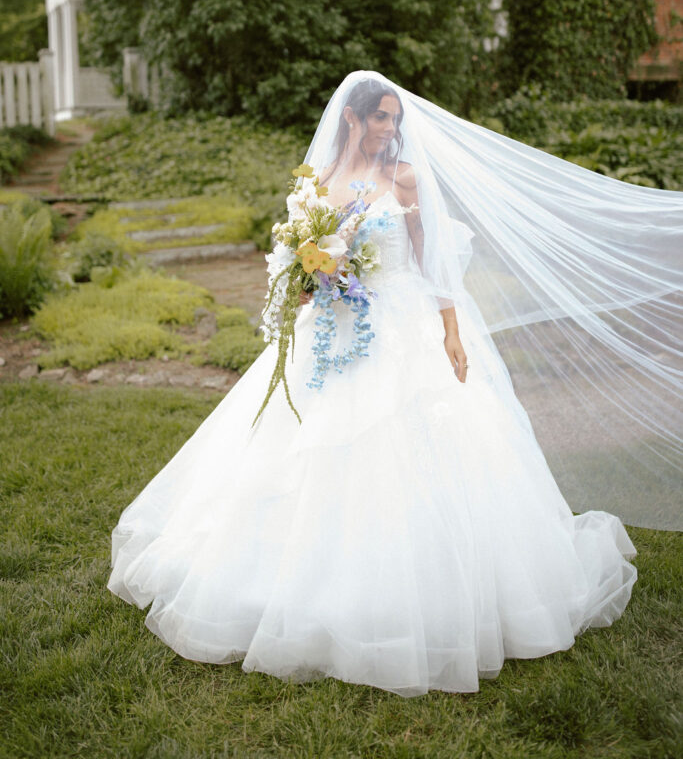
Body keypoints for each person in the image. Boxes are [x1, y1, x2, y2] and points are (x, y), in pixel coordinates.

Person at [108, 71, 682, 698]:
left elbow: (433, 258)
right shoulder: (317, 182)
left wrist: (452, 331)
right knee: (299, 449)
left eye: (394, 120)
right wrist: (307, 279)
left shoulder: (406, 178)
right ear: (351, 119)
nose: (387, 130)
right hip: (332, 331)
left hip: (403, 326)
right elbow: (300, 260)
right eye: (378, 118)